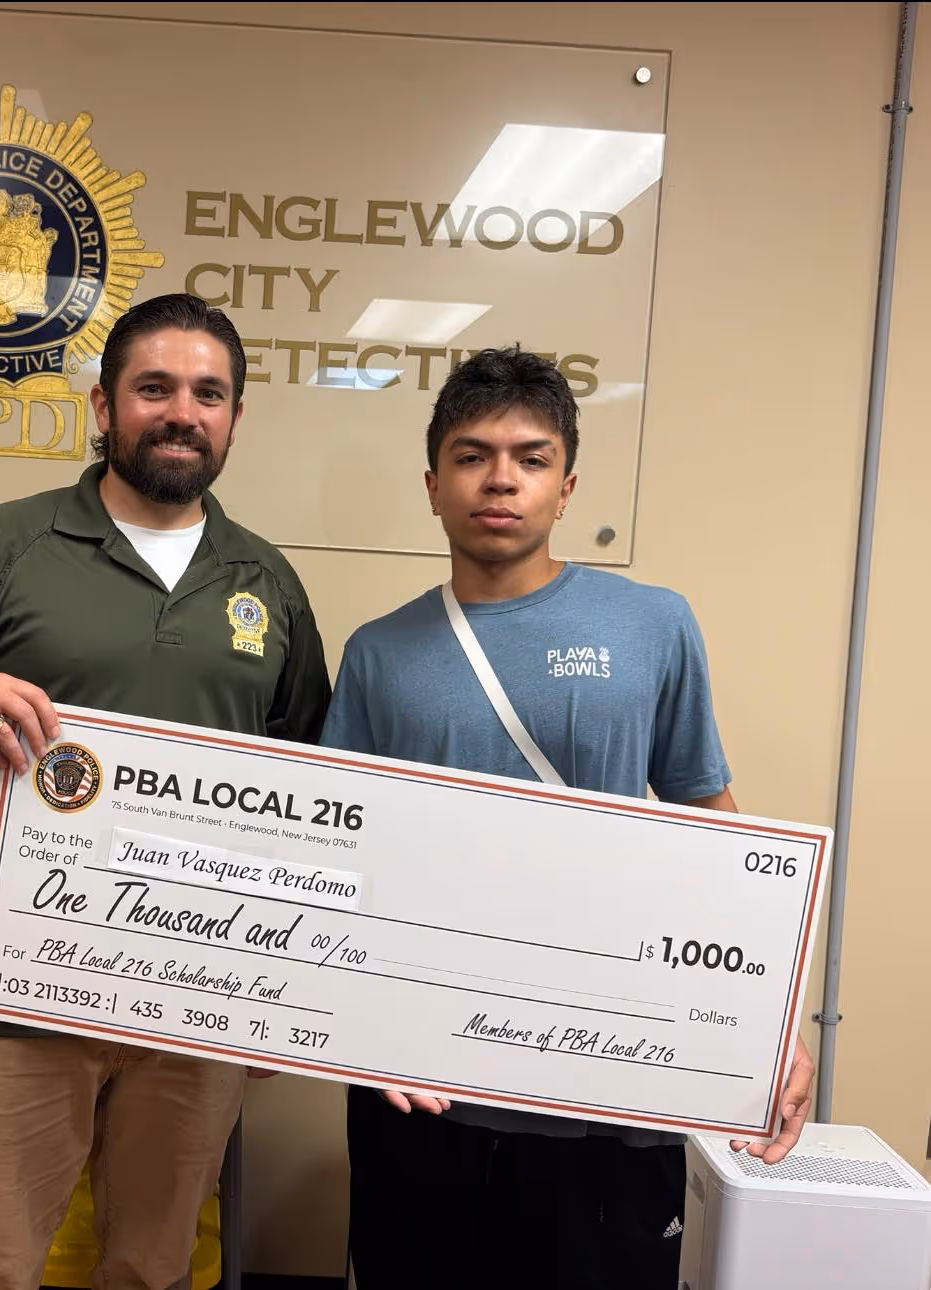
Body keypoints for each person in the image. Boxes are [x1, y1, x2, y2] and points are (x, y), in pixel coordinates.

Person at [0, 293, 331, 1290]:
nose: (181, 411)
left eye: (208, 392)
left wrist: (287, 998)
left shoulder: (268, 584)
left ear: (235, 417)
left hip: (195, 1000)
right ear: (104, 406)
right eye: (154, 388)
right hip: (18, 987)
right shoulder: (3, 544)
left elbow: (306, 799)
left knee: (152, 1270)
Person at [320, 346, 813, 1290]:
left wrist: (769, 1010)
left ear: (567, 484)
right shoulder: (379, 653)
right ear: (432, 485)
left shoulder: (653, 624)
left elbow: (713, 823)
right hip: (425, 1089)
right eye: (471, 456)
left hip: (610, 1090)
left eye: (530, 457)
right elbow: (344, 854)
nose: (499, 478)